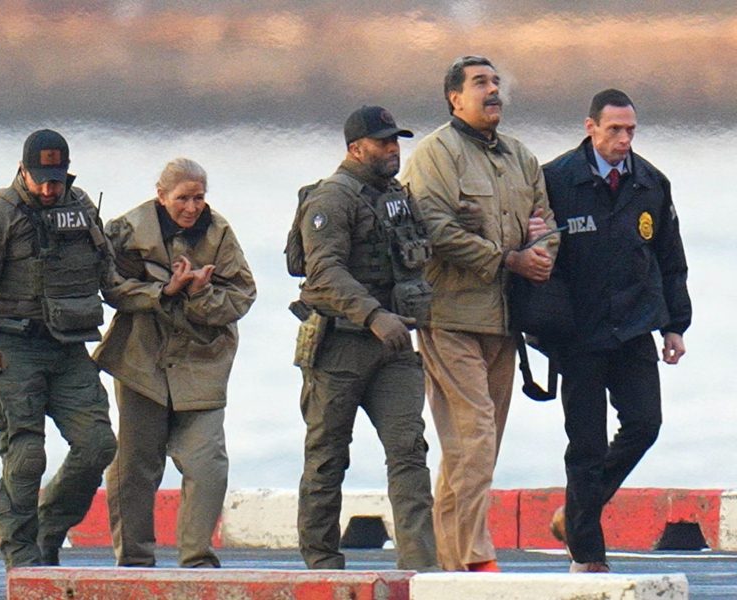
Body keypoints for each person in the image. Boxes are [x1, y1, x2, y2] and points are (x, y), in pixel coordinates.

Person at [402, 56, 556, 572]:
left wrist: (541, 254)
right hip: (450, 317)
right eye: (480, 83)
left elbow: (546, 223)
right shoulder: (435, 154)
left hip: (504, 321)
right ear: (455, 98)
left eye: (496, 82)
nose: (493, 91)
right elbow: (434, 228)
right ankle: (474, 559)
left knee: (476, 448)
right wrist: (508, 258)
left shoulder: (520, 157)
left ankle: (449, 563)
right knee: (474, 437)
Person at [0, 129, 118, 569]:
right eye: (41, 179)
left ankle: (50, 526)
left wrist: (160, 293)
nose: (49, 189)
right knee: (26, 456)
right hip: (12, 346)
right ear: (23, 171)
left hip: (67, 346)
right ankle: (22, 559)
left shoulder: (80, 208)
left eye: (57, 179)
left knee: (98, 444)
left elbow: (108, 273)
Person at [541, 89, 692, 573]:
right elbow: (541, 258)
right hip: (579, 335)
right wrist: (545, 327)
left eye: (630, 130)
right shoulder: (556, 180)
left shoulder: (651, 183)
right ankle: (588, 557)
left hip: (633, 328)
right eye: (614, 130)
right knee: (585, 445)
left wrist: (674, 326)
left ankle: (576, 514)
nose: (624, 140)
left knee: (645, 424)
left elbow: (670, 259)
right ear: (591, 128)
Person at [288, 105, 439, 572]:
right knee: (327, 457)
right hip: (341, 347)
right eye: (383, 142)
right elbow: (323, 271)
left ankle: (419, 569)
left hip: (394, 349)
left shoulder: (396, 196)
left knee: (409, 452)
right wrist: (374, 315)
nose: (393, 149)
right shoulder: (332, 199)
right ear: (356, 148)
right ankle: (322, 566)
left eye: (396, 141)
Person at [91, 157, 256, 568]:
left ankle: (197, 560)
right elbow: (109, 286)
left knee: (207, 464)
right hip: (141, 362)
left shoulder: (219, 234)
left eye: (199, 197)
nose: (192, 207)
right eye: (182, 198)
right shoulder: (127, 230)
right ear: (161, 196)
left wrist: (199, 294)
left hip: (202, 364)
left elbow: (242, 295)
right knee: (134, 467)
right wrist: (163, 291)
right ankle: (134, 561)